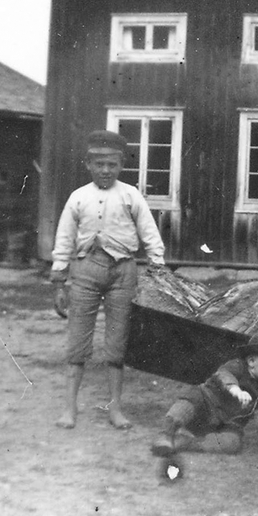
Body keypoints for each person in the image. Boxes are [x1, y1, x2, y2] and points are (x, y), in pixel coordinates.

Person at [50, 129, 167, 430]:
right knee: (78, 341)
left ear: (121, 165)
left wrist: (157, 267)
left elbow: (150, 234)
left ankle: (115, 409)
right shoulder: (78, 197)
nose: (105, 170)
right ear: (88, 164)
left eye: (112, 164)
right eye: (99, 164)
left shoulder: (131, 195)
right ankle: (69, 409)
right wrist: (59, 281)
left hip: (122, 272)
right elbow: (64, 239)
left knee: (117, 344)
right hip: (85, 271)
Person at [150, 330, 258, 456]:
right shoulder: (237, 366)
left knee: (232, 444)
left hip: (227, 423)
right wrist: (235, 389)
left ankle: (183, 443)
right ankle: (166, 434)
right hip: (204, 407)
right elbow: (224, 374)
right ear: (251, 361)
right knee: (189, 401)